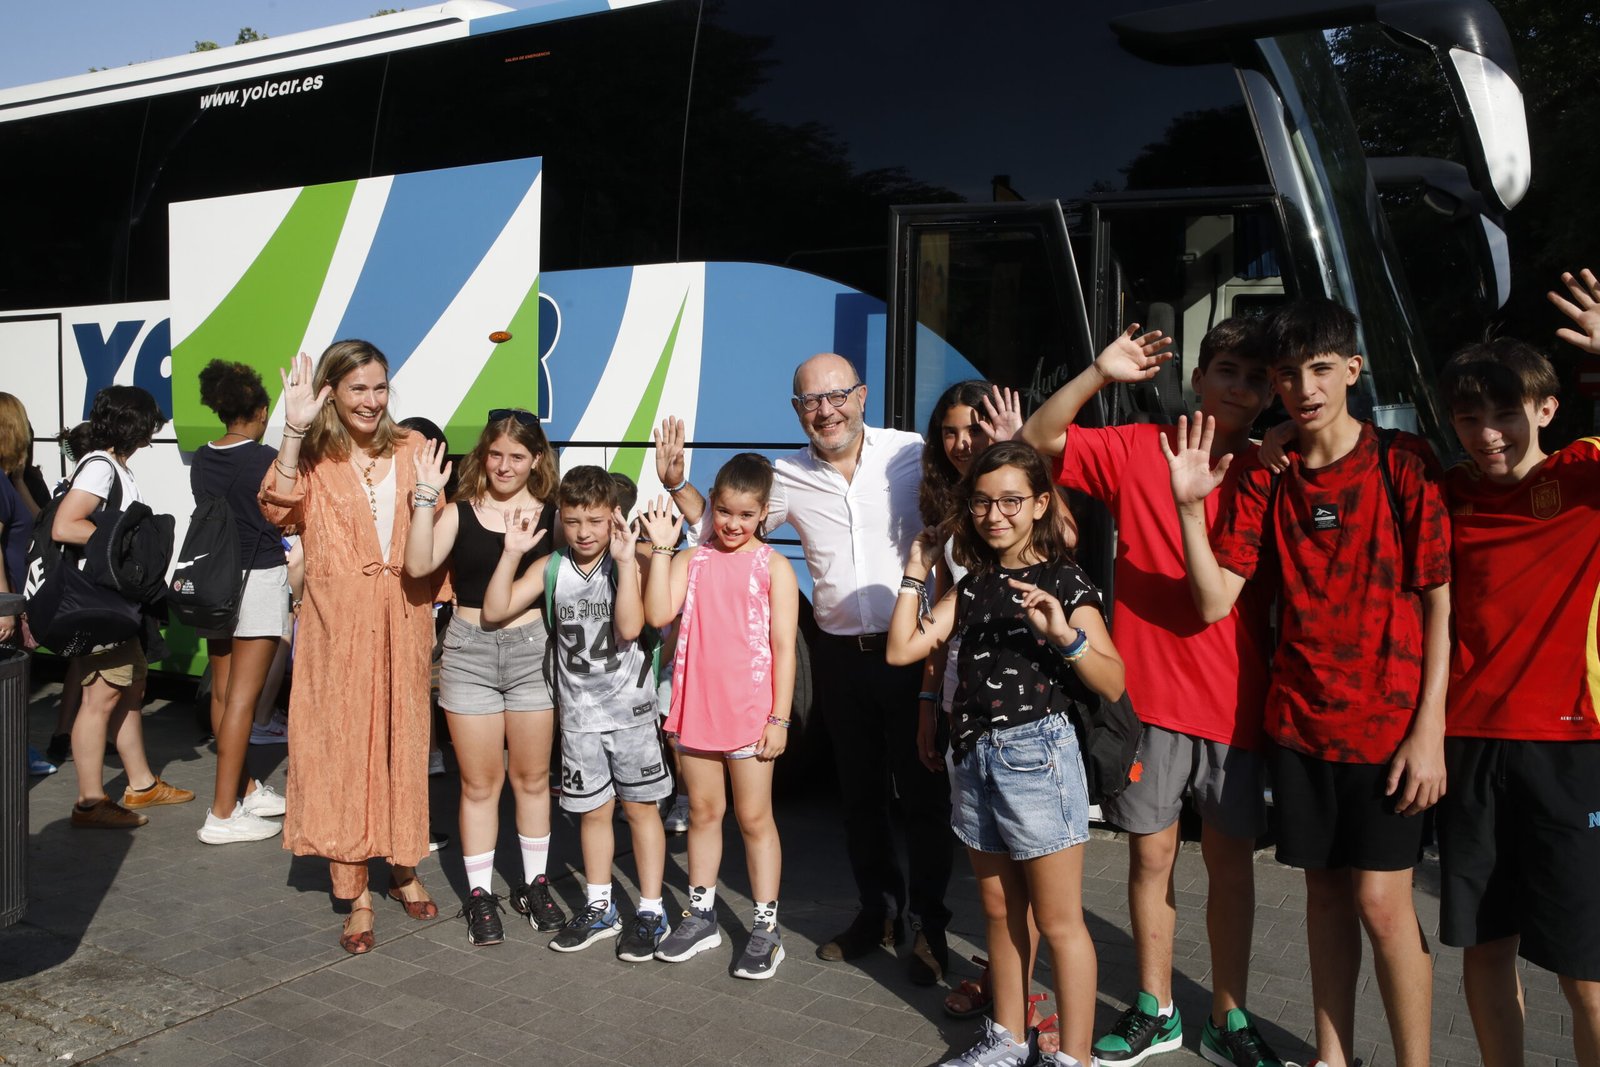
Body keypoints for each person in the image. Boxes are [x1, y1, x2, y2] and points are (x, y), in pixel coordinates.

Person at [1163, 299, 1450, 1067]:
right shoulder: (1267, 474)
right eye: (1289, 373)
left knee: (1383, 903)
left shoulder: (1404, 461)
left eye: (1321, 368)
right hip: (1299, 720)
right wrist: (1190, 508)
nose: (1305, 386)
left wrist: (1431, 729)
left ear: (1353, 369)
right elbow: (1217, 596)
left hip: (1389, 729)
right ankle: (1333, 1055)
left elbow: (1439, 599)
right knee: (1323, 897)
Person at [1022, 321, 1284, 1066]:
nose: (1241, 389)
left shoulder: (1269, 466)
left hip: (1235, 700)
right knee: (1150, 860)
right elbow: (1042, 437)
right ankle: (1156, 1006)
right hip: (1148, 699)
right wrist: (1100, 373)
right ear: (1199, 377)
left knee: (1231, 867)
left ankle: (1228, 1016)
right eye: (1228, 371)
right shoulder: (1139, 444)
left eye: (1257, 380)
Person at [655, 351, 955, 984]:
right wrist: (680, 485)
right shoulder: (784, 477)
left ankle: (929, 926)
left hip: (911, 652)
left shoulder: (910, 453)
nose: (827, 410)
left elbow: (956, 530)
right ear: (797, 412)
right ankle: (876, 914)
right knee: (860, 797)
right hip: (841, 657)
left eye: (837, 395)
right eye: (811, 402)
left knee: (925, 795)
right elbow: (725, 525)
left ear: (863, 395)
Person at [889, 441, 1121, 1067]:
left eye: (1012, 501)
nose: (995, 515)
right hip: (973, 758)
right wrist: (917, 569)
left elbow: (1113, 680)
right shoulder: (972, 589)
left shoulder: (1066, 580)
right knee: (997, 909)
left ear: (1041, 503)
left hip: (1036, 756)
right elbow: (902, 650)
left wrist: (1065, 635)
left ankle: (1073, 1057)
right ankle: (1008, 1040)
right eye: (983, 502)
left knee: (1058, 918)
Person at [1430, 293, 1600, 1067]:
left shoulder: (1589, 473)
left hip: (1574, 747)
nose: (1487, 434)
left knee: (1586, 968)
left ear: (1548, 407)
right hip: (1467, 746)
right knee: (1484, 948)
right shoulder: (1447, 490)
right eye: (1469, 418)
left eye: (1506, 413)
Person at [261, 341, 443, 954]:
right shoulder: (312, 456)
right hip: (336, 628)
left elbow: (436, 533)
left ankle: (403, 865)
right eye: (358, 388)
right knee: (342, 749)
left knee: (401, 745)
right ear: (333, 392)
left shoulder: (414, 449)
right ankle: (356, 891)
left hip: (405, 620)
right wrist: (291, 428)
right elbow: (278, 512)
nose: (371, 400)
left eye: (380, 387)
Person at [484, 465, 672, 962]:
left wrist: (628, 562)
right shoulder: (551, 567)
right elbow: (494, 608)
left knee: (640, 811)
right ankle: (600, 906)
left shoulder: (624, 561)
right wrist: (511, 552)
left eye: (594, 521)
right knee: (592, 814)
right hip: (579, 718)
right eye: (572, 521)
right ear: (560, 518)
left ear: (613, 518)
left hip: (630, 714)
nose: (583, 532)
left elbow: (631, 629)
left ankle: (651, 910)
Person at [403, 408, 568, 947]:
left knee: (532, 779)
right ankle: (479, 894)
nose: (504, 465)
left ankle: (535, 884)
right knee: (478, 784)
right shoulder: (460, 511)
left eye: (517, 456)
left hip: (531, 653)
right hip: (468, 653)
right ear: (483, 454)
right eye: (495, 454)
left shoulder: (553, 514)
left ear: (536, 460)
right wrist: (426, 497)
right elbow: (418, 565)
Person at [638, 453, 800, 979]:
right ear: (715, 506)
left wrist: (779, 718)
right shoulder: (696, 558)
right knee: (704, 815)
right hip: (696, 707)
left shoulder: (774, 567)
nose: (732, 524)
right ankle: (701, 915)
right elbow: (658, 614)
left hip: (752, 714)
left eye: (745, 515)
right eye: (724, 512)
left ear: (763, 513)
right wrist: (663, 550)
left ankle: (765, 929)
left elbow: (783, 647)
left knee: (755, 820)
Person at [53, 386, 194, 828]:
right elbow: (65, 524)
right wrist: (122, 547)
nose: (155, 429)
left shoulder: (111, 465)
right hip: (102, 602)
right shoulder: (99, 467)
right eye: (150, 421)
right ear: (135, 424)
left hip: (119, 602)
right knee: (100, 698)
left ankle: (142, 784)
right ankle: (90, 801)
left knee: (129, 689)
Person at [191, 361, 290, 845]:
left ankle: (245, 789)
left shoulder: (203, 457)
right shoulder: (267, 459)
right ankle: (222, 813)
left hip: (217, 580)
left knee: (224, 694)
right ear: (261, 410)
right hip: (258, 579)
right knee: (244, 703)